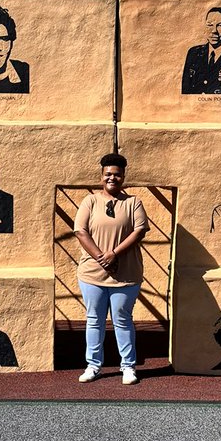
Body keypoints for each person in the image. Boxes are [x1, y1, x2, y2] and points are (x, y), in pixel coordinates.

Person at [74, 153, 149, 386]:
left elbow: (139, 231)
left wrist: (113, 254)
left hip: (126, 275)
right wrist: (101, 257)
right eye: (108, 174)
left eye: (117, 174)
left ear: (123, 177)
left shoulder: (133, 203)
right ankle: (93, 366)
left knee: (122, 320)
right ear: (101, 176)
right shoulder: (90, 201)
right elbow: (80, 231)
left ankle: (128, 366)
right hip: (92, 275)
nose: (112, 178)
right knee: (94, 320)